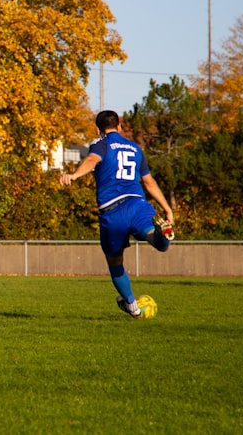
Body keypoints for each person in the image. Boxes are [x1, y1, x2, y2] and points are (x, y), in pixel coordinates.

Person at [58, 110, 174, 318]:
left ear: (98, 129)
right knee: (153, 238)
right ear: (119, 126)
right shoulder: (135, 148)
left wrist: (75, 175)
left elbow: (93, 160)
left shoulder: (101, 144)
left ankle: (132, 305)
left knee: (115, 261)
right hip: (138, 203)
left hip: (113, 212)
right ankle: (162, 235)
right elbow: (148, 182)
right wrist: (167, 208)